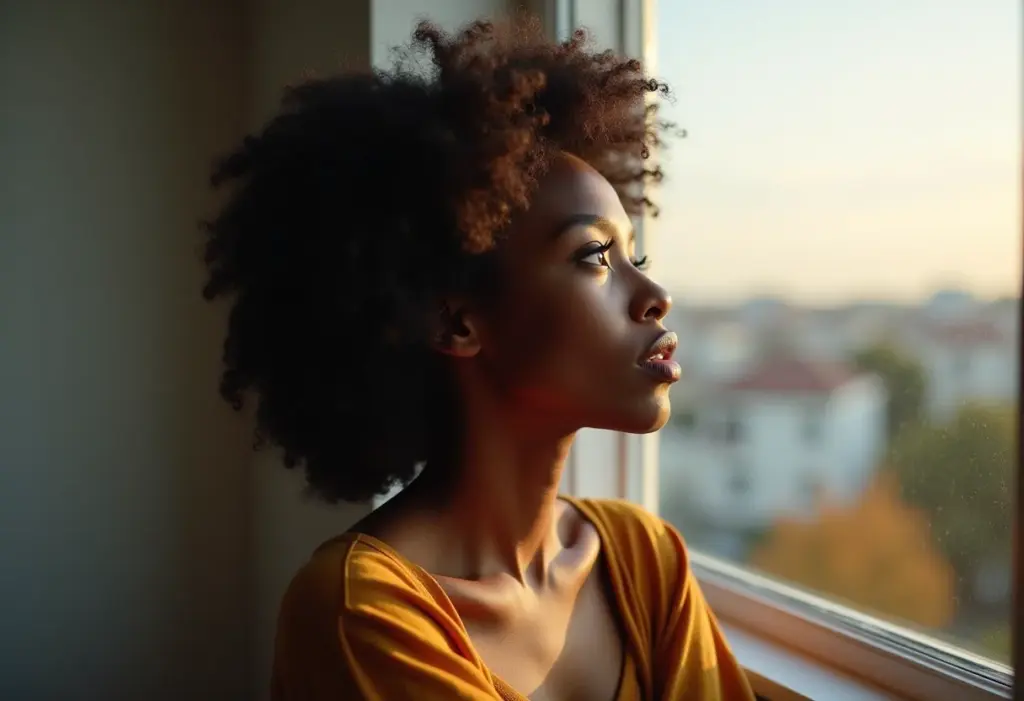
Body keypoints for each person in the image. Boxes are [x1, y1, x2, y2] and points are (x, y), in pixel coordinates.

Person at [201, 15, 755, 701]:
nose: (653, 295)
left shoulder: (645, 563)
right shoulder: (360, 612)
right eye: (595, 258)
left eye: (633, 257)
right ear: (456, 319)